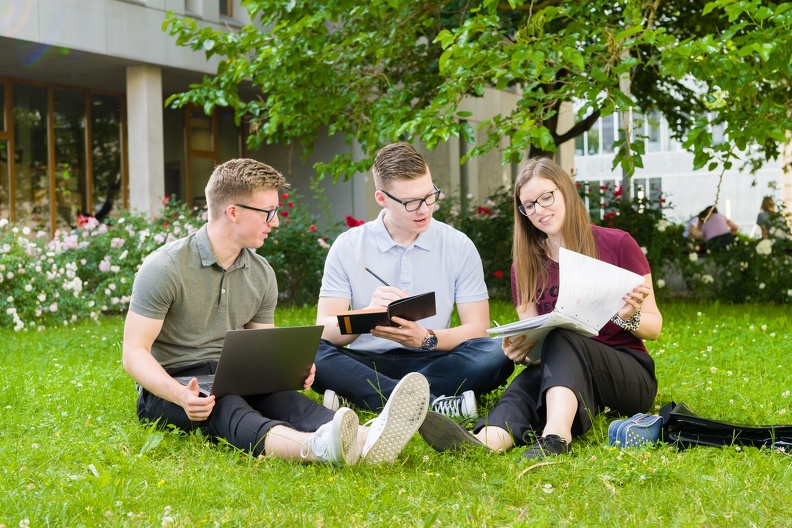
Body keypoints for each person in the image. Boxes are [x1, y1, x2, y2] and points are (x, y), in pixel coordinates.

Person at [122, 158, 430, 467]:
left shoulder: (260, 272)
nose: (276, 222)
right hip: (175, 386)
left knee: (288, 400)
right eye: (269, 213)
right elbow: (134, 353)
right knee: (228, 407)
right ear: (233, 212)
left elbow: (263, 344)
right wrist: (180, 395)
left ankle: (366, 438)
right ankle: (315, 448)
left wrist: (289, 369)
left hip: (233, 375)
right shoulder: (164, 268)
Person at [419, 157, 662, 459]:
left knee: (564, 336)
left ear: (565, 192)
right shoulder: (525, 266)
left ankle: (556, 438)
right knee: (529, 380)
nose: (539, 210)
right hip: (566, 375)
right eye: (529, 205)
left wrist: (629, 318)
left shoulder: (618, 244)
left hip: (627, 378)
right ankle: (487, 440)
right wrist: (522, 352)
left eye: (546, 197)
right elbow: (537, 347)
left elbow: (654, 326)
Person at [313, 142, 514, 420]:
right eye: (410, 203)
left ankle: (363, 397)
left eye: (429, 196)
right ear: (381, 198)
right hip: (366, 363)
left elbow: (477, 329)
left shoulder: (458, 245)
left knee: (497, 351)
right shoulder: (348, 245)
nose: (424, 210)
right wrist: (367, 315)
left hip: (434, 359)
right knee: (312, 351)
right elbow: (324, 330)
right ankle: (434, 405)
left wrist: (426, 339)